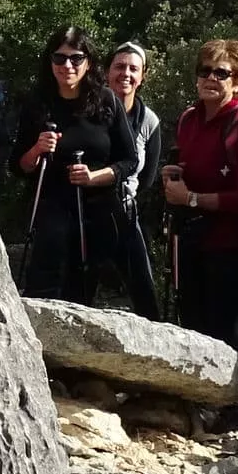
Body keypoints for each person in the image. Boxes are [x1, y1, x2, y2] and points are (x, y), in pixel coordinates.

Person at [162, 39, 238, 365]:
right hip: (191, 241)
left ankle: (230, 411)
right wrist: (176, 174)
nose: (211, 78)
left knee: (225, 335)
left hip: (230, 247)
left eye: (221, 73)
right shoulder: (189, 119)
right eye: (204, 71)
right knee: (191, 327)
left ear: (237, 81)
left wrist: (191, 198)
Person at [11, 28, 136, 303]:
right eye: (59, 58)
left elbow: (129, 161)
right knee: (43, 289)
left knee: (83, 291)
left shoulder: (106, 101)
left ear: (89, 62)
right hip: (49, 212)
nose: (67, 65)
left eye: (76, 58)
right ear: (49, 61)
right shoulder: (37, 103)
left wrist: (94, 177)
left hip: (96, 213)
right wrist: (36, 149)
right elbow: (18, 166)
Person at [106, 42, 164, 318]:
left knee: (143, 290)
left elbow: (148, 177)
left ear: (143, 76)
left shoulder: (149, 122)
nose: (125, 74)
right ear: (106, 72)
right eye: (119, 66)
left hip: (126, 213)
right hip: (86, 211)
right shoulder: (90, 113)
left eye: (133, 68)